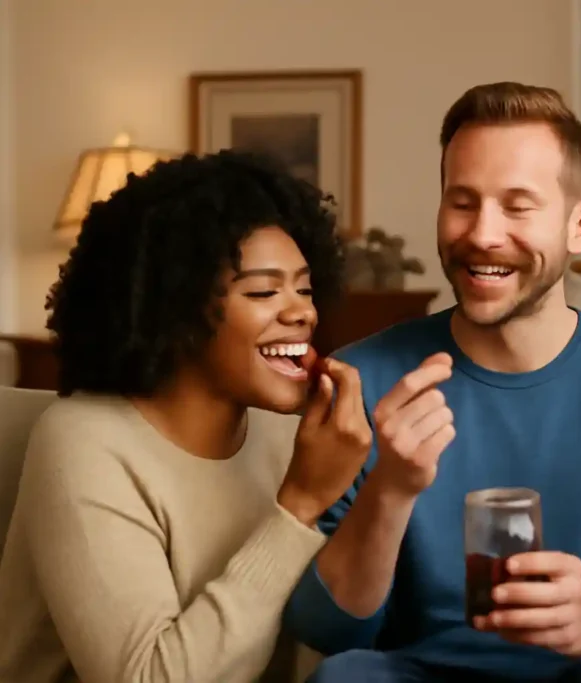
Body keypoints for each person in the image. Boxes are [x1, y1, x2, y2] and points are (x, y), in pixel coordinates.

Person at [283, 82, 581, 682]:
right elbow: (325, 629)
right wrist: (391, 489)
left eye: (517, 206)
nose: (483, 234)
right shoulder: (364, 377)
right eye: (462, 202)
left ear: (580, 225)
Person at [0, 150, 374, 683]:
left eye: (305, 288)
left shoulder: (296, 436)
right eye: (264, 291)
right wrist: (300, 506)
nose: (301, 312)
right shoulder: (83, 442)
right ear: (176, 309)